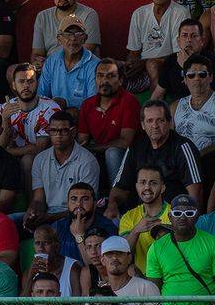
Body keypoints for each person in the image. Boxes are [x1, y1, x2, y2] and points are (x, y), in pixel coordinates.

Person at [108, 100, 203, 217]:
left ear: (169, 122)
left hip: (175, 215)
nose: (155, 126)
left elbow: (195, 193)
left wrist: (187, 220)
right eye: (149, 121)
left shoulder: (183, 147)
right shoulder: (135, 146)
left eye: (160, 120)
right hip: (141, 215)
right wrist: (112, 206)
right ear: (143, 125)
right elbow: (120, 188)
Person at [26, 113, 101, 228]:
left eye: (63, 131)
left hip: (76, 218)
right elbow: (38, 199)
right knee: (12, 221)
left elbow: (86, 207)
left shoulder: (87, 161)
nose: (58, 135)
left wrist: (49, 218)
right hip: (48, 215)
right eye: (53, 131)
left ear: (73, 132)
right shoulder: (40, 159)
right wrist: (33, 211)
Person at [125, 0, 189, 95]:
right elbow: (134, 52)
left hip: (170, 67)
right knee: (110, 68)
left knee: (152, 65)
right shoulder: (139, 14)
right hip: (144, 68)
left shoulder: (180, 13)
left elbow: (179, 55)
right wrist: (129, 64)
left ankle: (155, 106)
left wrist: (146, 62)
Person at [77, 59, 141, 188]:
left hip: (128, 158)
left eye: (111, 76)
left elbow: (125, 142)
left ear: (121, 80)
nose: (104, 81)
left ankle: (116, 200)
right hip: (100, 154)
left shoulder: (130, 102)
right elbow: (82, 141)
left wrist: (93, 148)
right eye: (100, 76)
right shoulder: (88, 105)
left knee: (112, 152)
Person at [30, 0, 102, 67]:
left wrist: (52, 64)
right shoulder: (42, 16)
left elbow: (85, 52)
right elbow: (37, 54)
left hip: (80, 67)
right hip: (49, 68)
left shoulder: (89, 14)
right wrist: (37, 62)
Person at [1, 61, 58, 172]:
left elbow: (40, 147)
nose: (26, 86)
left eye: (30, 81)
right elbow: (0, 144)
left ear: (37, 83)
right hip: (13, 155)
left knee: (28, 160)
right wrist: (5, 120)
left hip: (44, 158)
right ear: (13, 85)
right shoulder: (5, 108)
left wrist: (5, 152)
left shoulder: (50, 108)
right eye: (21, 82)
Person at [117, 166, 171, 275]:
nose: (147, 187)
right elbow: (122, 254)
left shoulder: (174, 213)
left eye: (153, 183)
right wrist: (136, 230)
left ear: (163, 187)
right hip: (142, 277)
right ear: (137, 186)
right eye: (142, 182)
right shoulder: (129, 217)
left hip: (170, 274)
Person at [37, 18, 99, 110]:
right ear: (59, 39)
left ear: (85, 38)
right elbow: (41, 96)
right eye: (68, 34)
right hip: (54, 116)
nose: (73, 38)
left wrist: (67, 104)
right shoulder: (51, 61)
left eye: (78, 34)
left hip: (83, 115)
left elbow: (94, 102)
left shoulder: (95, 65)